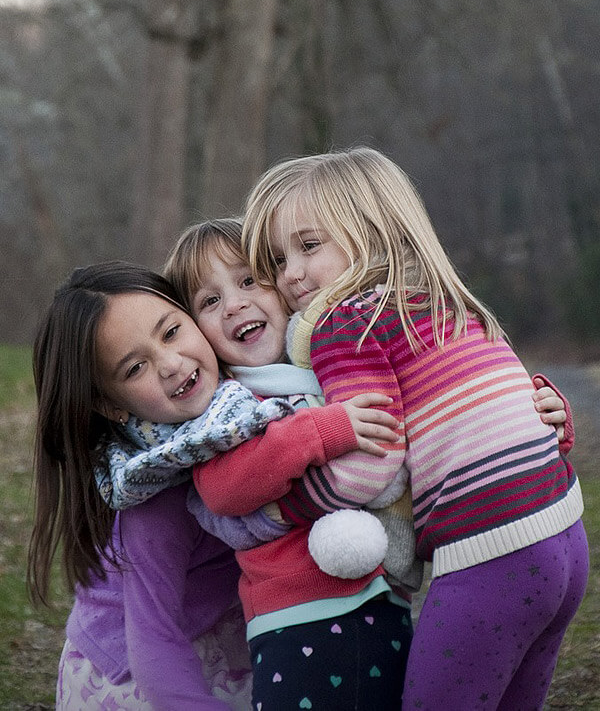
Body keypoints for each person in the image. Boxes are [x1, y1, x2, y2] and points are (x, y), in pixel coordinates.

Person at [163, 217, 572, 711]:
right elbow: (222, 485)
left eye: (250, 280)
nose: (234, 304)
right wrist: (322, 431)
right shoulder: (228, 405)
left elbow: (439, 410)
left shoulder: (334, 360)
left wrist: (542, 411)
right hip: (299, 613)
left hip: (387, 600)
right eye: (209, 301)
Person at [242, 146, 589, 710]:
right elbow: (507, 405)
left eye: (309, 246)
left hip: (492, 555)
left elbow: (370, 461)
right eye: (279, 260)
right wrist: (558, 417)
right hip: (566, 535)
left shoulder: (345, 321)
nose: (292, 274)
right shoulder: (445, 301)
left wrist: (286, 506)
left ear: (373, 231)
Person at [28, 261, 399, 710]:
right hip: (139, 674)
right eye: (135, 368)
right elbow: (153, 643)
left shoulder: (239, 410)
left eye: (171, 332)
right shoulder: (153, 492)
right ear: (110, 405)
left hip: (226, 625)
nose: (171, 364)